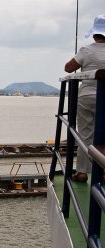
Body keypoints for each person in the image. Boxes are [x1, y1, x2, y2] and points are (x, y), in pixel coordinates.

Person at [64, 14, 105, 182]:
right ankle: (103, 171)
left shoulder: (86, 50)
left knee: (85, 134)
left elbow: (68, 68)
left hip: (87, 96)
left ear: (95, 35)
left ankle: (81, 172)